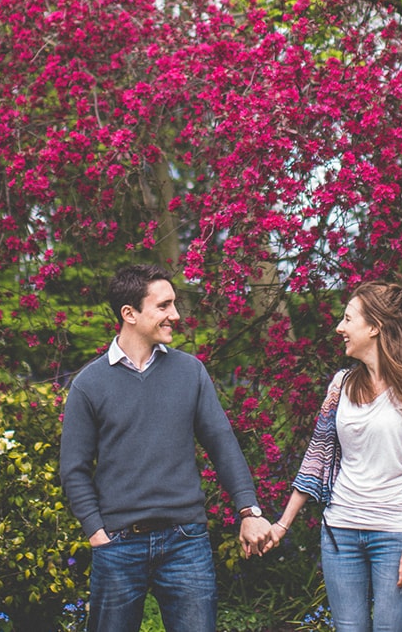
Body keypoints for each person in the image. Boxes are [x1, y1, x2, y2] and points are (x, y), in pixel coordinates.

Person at [59, 263, 274, 632]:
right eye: (164, 306)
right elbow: (74, 469)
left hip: (185, 541)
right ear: (129, 313)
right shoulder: (89, 384)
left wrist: (249, 510)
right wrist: (97, 532)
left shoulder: (190, 372)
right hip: (118, 544)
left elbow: (221, 443)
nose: (175, 315)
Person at [266, 281, 402, 632]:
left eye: (348, 319)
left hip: (396, 534)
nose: (340, 328)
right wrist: (282, 525)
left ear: (375, 327)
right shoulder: (341, 385)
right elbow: (316, 457)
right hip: (341, 532)